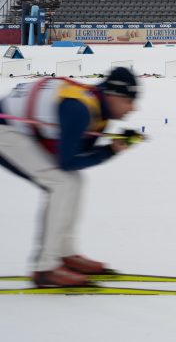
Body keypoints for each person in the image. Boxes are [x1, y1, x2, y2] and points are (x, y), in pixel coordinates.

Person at [0, 67, 142, 287]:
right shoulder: (80, 109)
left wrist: (111, 145)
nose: (133, 108)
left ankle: (65, 253)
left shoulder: (96, 109)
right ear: (113, 94)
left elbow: (79, 152)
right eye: (130, 100)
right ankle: (45, 267)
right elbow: (67, 162)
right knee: (61, 183)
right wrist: (110, 150)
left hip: (17, 127)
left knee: (74, 181)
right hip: (5, 131)